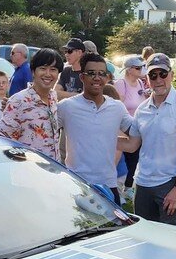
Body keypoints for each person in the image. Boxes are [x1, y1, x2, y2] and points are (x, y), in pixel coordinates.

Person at [117, 53, 176, 226]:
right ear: (147, 78)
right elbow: (132, 144)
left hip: (170, 183)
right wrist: (99, 136)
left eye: (163, 74)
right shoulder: (142, 109)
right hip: (142, 184)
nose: (158, 80)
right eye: (153, 75)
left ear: (171, 75)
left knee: (169, 241)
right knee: (144, 239)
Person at [56, 53, 134, 204]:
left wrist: (108, 139)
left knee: (115, 228)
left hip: (108, 185)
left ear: (107, 77)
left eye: (102, 74)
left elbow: (136, 135)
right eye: (91, 73)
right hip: (76, 185)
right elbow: (42, 130)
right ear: (82, 77)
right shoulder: (67, 107)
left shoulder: (117, 107)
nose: (97, 78)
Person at [0, 48, 65, 161]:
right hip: (28, 171)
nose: (48, 74)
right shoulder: (18, 101)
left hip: (53, 171)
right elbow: (1, 138)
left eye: (53, 69)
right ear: (33, 71)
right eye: (43, 68)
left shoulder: (53, 97)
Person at [113, 56, 151, 197]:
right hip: (123, 128)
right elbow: (118, 106)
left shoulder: (141, 83)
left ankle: (128, 187)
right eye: (138, 67)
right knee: (120, 160)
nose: (142, 70)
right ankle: (116, 189)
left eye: (142, 67)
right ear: (129, 70)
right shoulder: (121, 84)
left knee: (134, 158)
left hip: (137, 126)